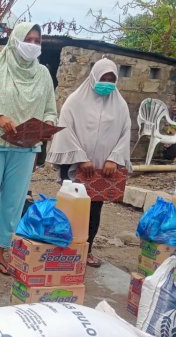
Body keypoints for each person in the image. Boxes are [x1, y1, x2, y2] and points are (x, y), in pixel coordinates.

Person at [0, 22, 57, 276]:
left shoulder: (43, 75)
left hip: (26, 147)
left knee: (13, 203)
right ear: (16, 40)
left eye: (38, 41)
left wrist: (49, 122)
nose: (33, 45)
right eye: (29, 39)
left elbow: (50, 108)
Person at [47, 58, 132, 268]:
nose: (108, 83)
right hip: (76, 167)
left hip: (101, 171)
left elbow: (125, 133)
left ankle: (87, 249)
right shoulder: (75, 101)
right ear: (94, 77)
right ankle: (64, 250)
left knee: (94, 211)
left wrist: (113, 159)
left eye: (112, 80)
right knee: (71, 207)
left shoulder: (119, 105)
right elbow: (65, 128)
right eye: (104, 78)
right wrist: (81, 158)